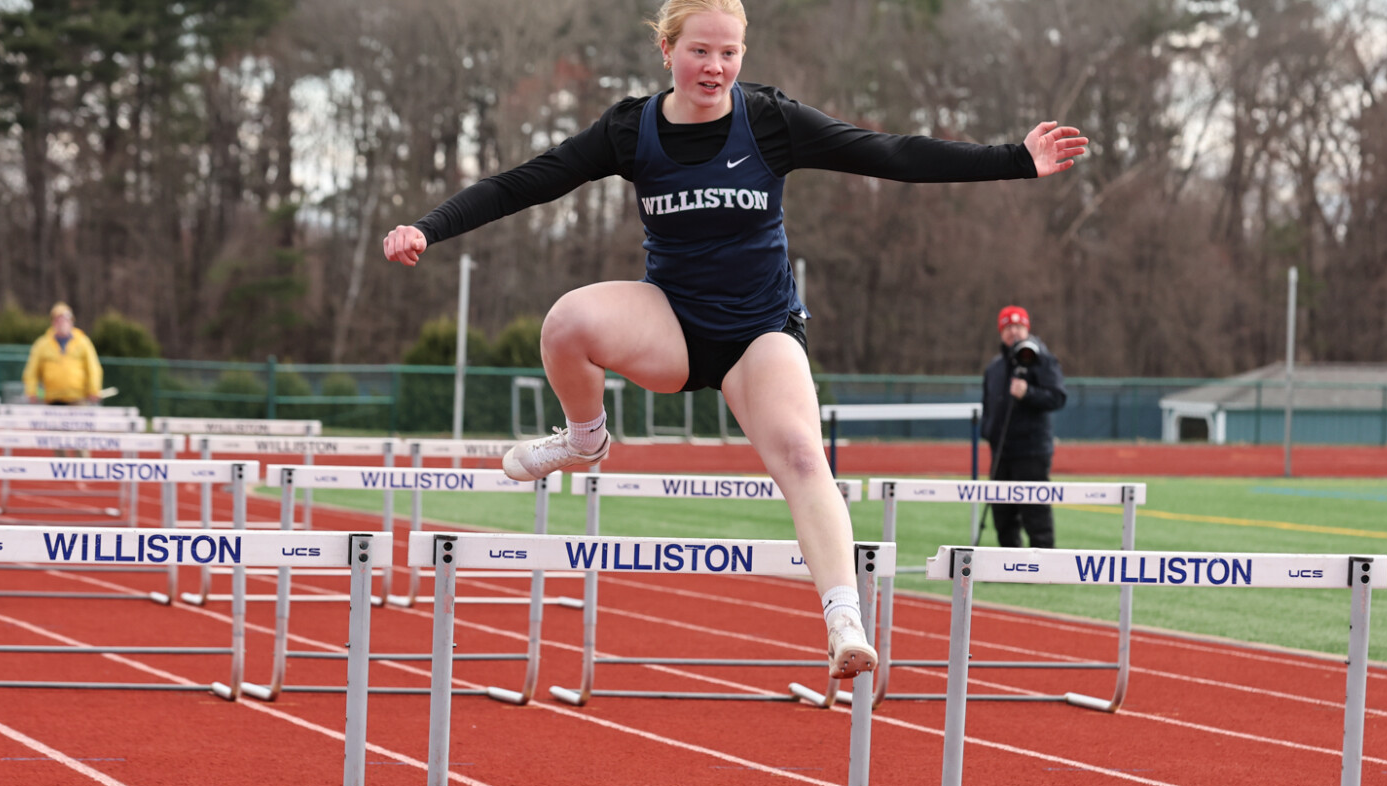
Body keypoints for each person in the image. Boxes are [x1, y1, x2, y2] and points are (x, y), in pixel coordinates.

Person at [383, 0, 1087, 679]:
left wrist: (1015, 159)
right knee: (567, 322)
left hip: (759, 332)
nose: (714, 67)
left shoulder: (771, 121)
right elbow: (524, 183)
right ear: (667, 51)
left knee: (803, 457)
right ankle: (585, 438)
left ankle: (844, 622)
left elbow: (890, 154)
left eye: (729, 52)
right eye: (699, 51)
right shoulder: (630, 129)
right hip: (673, 323)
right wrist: (429, 227)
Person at [979, 305, 1066, 548]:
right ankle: (1009, 563)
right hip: (1001, 453)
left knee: (1036, 516)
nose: (1013, 332)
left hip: (1031, 452)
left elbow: (1057, 397)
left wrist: (1028, 393)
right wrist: (989, 431)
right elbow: (988, 405)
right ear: (1001, 332)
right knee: (1002, 517)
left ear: (1027, 329)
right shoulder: (995, 368)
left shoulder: (1043, 360)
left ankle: (1043, 564)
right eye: (1008, 327)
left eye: (1018, 326)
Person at [22, 302, 103, 405]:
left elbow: (93, 368)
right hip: (51, 400)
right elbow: (31, 371)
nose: (62, 323)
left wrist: (94, 389)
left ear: (71, 321)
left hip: (78, 399)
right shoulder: (42, 344)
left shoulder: (83, 342)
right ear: (53, 322)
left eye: (65, 319)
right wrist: (31, 391)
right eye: (58, 320)